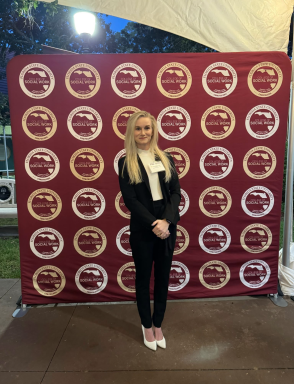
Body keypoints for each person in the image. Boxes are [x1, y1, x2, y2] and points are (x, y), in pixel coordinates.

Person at [118, 110, 181, 351]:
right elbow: (130, 200)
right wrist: (154, 224)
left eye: (147, 128)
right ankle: (146, 325)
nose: (143, 133)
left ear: (153, 131)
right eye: (138, 128)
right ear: (131, 132)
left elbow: (176, 192)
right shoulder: (125, 162)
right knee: (143, 278)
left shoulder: (166, 158)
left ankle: (158, 324)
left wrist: (166, 220)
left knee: (163, 278)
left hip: (167, 225)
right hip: (144, 227)